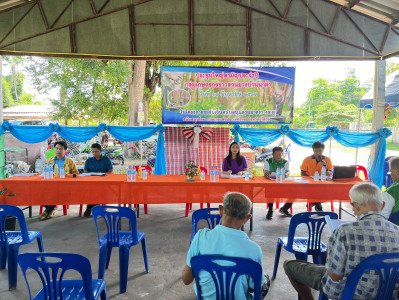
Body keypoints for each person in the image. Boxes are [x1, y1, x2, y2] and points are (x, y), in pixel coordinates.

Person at [283, 182, 399, 300]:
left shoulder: (344, 231)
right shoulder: (397, 231)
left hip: (349, 294)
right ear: (383, 205)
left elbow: (335, 276)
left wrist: (330, 254)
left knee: (289, 265)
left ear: (356, 206)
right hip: (388, 295)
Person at [182, 192, 270, 299]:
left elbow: (186, 280)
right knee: (265, 279)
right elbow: (252, 288)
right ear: (247, 218)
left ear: (220, 210)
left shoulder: (200, 237)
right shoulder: (254, 250)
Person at [40, 141, 79, 221]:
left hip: (65, 185)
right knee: (40, 191)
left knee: (56, 191)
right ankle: (52, 209)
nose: (58, 150)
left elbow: (76, 174)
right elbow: (45, 172)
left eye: (61, 149)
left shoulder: (70, 161)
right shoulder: (49, 160)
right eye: (57, 148)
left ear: (65, 150)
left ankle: (47, 211)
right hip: (50, 184)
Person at [82, 143, 113, 217]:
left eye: (96, 151)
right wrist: (93, 174)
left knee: (98, 190)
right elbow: (85, 172)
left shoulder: (106, 160)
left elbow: (111, 172)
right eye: (92, 152)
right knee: (89, 190)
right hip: (91, 182)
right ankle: (96, 206)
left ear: (100, 151)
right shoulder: (89, 160)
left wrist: (103, 173)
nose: (94, 153)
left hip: (103, 182)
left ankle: (89, 207)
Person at [300, 141, 333, 211]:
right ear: (313, 150)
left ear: (323, 150)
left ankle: (314, 202)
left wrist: (325, 167)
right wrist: (309, 179)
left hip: (323, 182)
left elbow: (330, 174)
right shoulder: (307, 159)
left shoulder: (327, 160)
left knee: (324, 189)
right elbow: (302, 172)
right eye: (316, 151)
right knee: (314, 188)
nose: (318, 152)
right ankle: (318, 205)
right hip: (310, 182)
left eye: (320, 151)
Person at [264, 146, 292, 219]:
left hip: (283, 184)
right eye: (277, 155)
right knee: (269, 190)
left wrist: (286, 174)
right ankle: (270, 210)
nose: (279, 156)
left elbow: (287, 172)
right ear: (273, 154)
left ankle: (285, 208)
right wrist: (266, 174)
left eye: (280, 154)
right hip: (272, 183)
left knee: (294, 191)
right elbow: (266, 172)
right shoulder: (268, 161)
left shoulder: (285, 162)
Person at [381, 156, 399, 222]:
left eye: (391, 172)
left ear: (397, 172)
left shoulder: (392, 191)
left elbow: (381, 217)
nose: (391, 175)